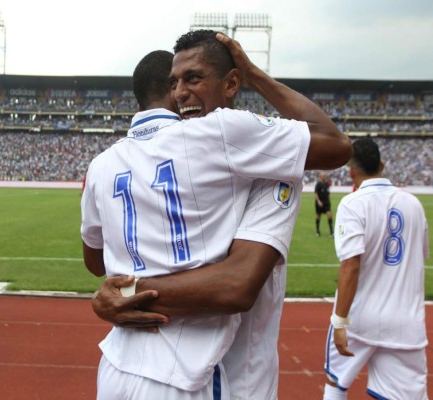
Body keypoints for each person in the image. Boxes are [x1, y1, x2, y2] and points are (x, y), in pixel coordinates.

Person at [85, 31, 351, 399]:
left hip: (120, 365)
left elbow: (96, 260)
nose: (180, 93)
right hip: (203, 376)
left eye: (192, 79)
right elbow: (234, 286)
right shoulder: (222, 140)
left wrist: (121, 293)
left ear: (231, 83)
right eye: (174, 83)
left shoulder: (108, 162)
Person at [323, 138, 429, 400]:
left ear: (351, 172)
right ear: (382, 164)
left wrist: (339, 321)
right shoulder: (414, 205)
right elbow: (421, 255)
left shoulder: (353, 203)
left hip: (360, 319)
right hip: (407, 323)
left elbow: (351, 264)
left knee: (335, 382)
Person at [315, 172, 333, 237]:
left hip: (326, 203)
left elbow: (328, 193)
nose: (325, 177)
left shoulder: (327, 184)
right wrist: (318, 201)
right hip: (319, 203)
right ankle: (317, 231)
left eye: (325, 176)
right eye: (323, 176)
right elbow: (316, 193)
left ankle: (331, 232)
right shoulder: (318, 184)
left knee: (330, 215)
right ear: (321, 177)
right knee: (318, 216)